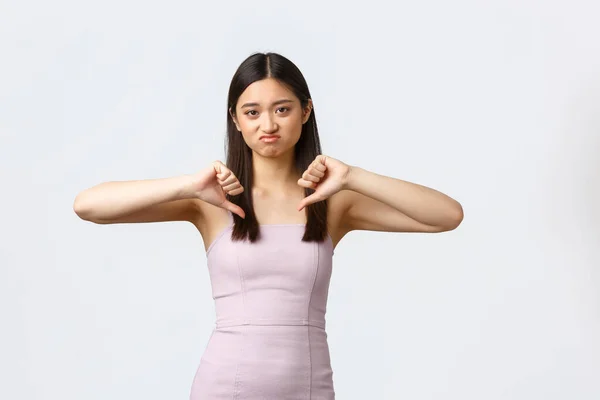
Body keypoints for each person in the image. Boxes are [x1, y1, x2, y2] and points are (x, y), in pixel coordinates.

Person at [73, 51, 464, 399]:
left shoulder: (332, 203)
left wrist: (353, 176)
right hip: (225, 386)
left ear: (305, 111)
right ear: (236, 119)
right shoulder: (211, 200)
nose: (268, 125)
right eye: (252, 112)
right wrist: (188, 184)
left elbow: (447, 216)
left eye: (282, 109)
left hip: (309, 388)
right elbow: (88, 206)